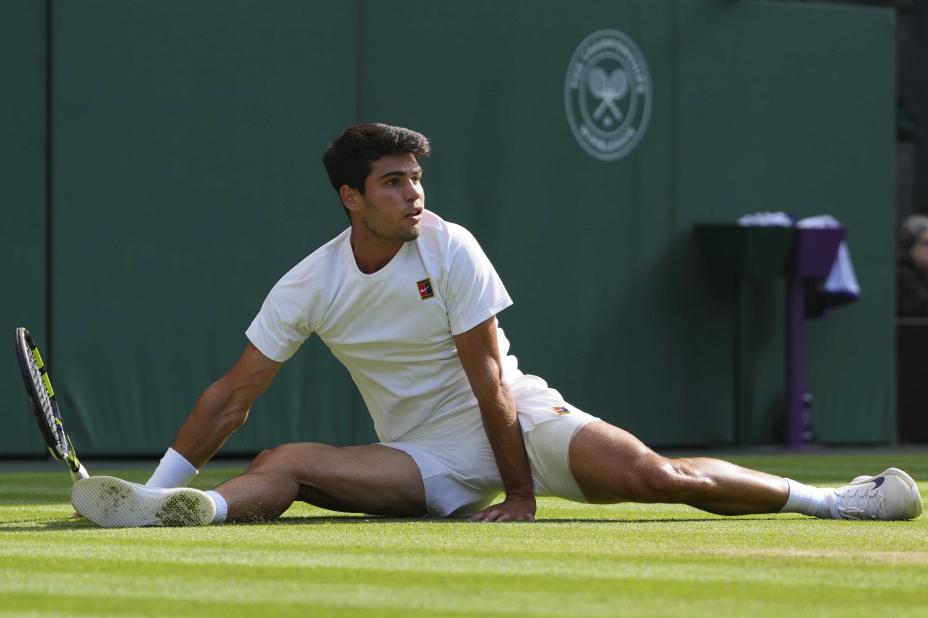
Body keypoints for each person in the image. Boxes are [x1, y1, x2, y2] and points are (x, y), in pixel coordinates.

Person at [71, 123, 922, 527]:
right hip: (422, 457)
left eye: (416, 179)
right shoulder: (310, 283)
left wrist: (520, 494)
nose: (414, 193)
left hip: (518, 416)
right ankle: (172, 510)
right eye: (394, 182)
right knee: (282, 463)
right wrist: (155, 480)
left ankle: (835, 501)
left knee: (660, 478)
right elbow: (233, 396)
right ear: (351, 197)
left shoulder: (451, 247)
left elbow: (487, 379)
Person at [897, 214, 928, 317]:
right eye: (926, 243)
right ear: (910, 246)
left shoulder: (924, 273)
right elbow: (919, 310)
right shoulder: (902, 275)